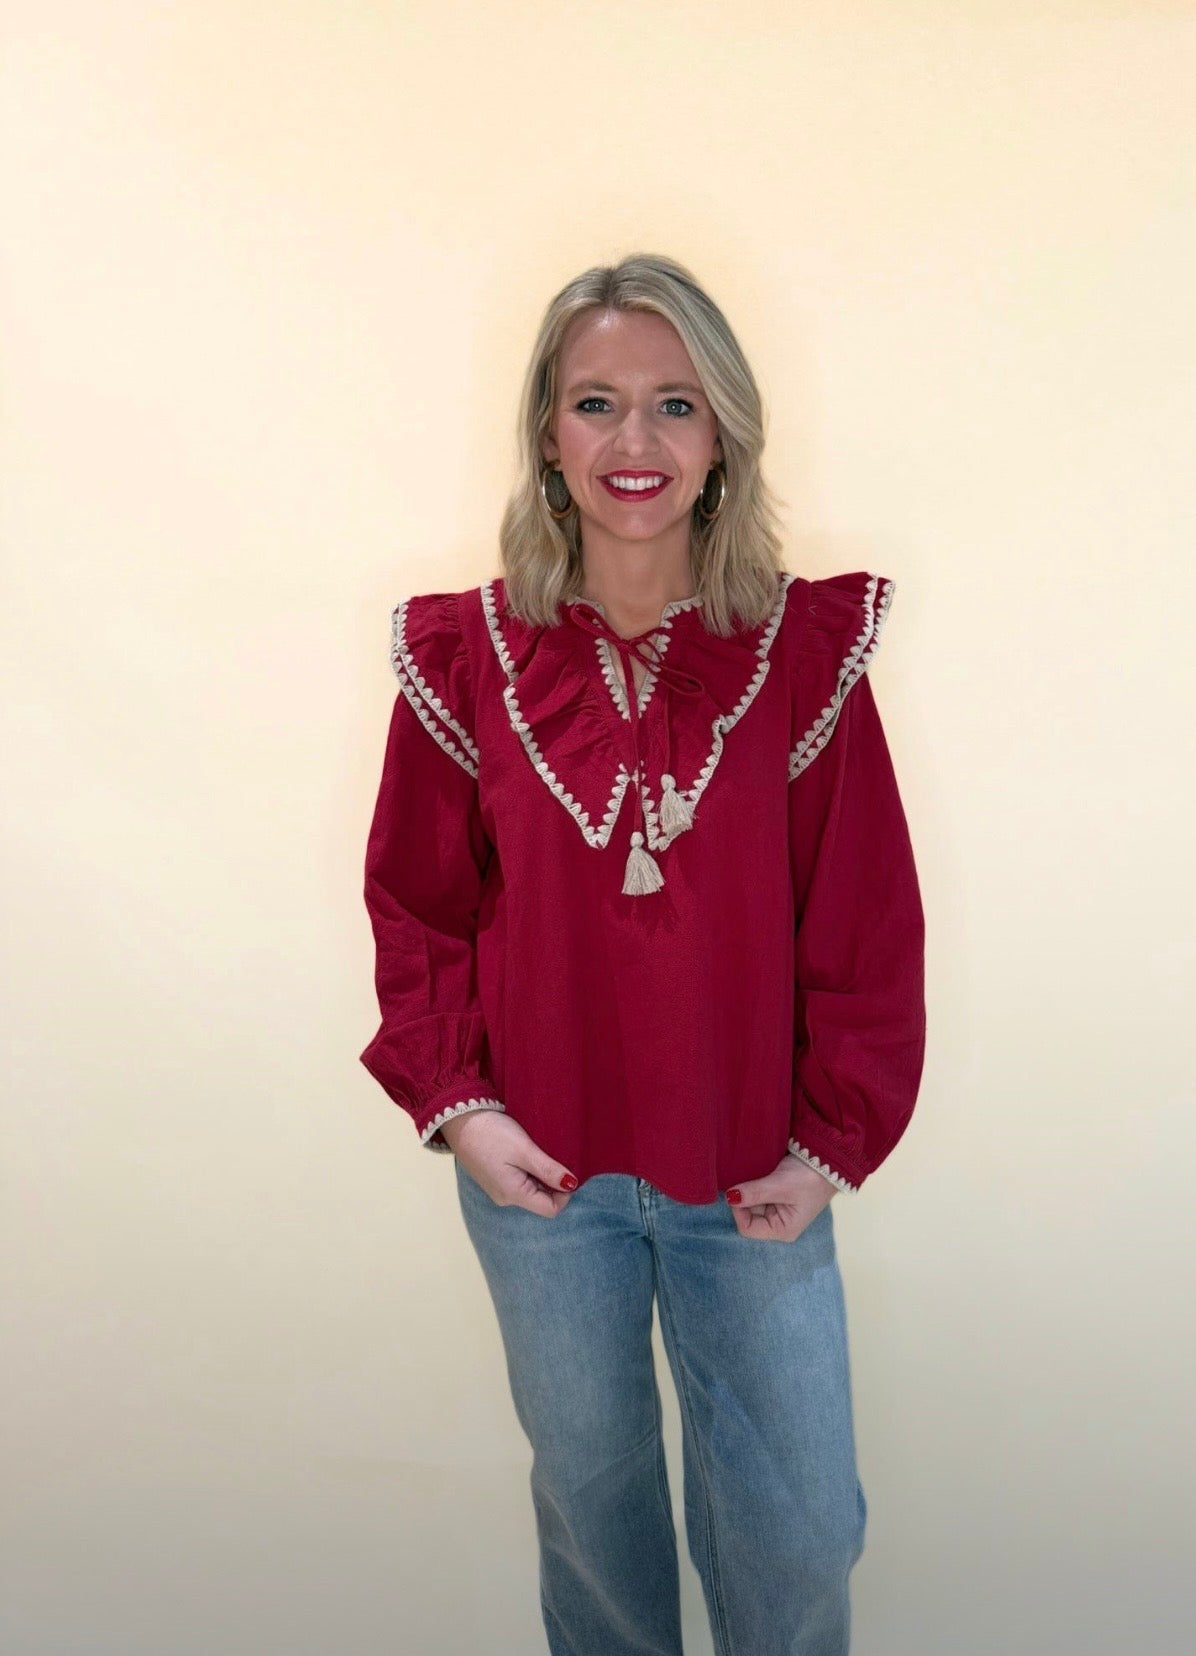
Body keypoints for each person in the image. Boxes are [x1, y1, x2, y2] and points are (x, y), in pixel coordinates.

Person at [359, 252, 927, 1656]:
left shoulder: (797, 654)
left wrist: (828, 1144)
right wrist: (466, 1115)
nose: (636, 440)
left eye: (675, 404)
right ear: (547, 434)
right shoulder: (467, 656)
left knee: (800, 1530)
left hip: (753, 1169)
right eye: (596, 401)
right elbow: (418, 906)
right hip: (544, 1180)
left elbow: (861, 917)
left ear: (723, 433)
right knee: (596, 1520)